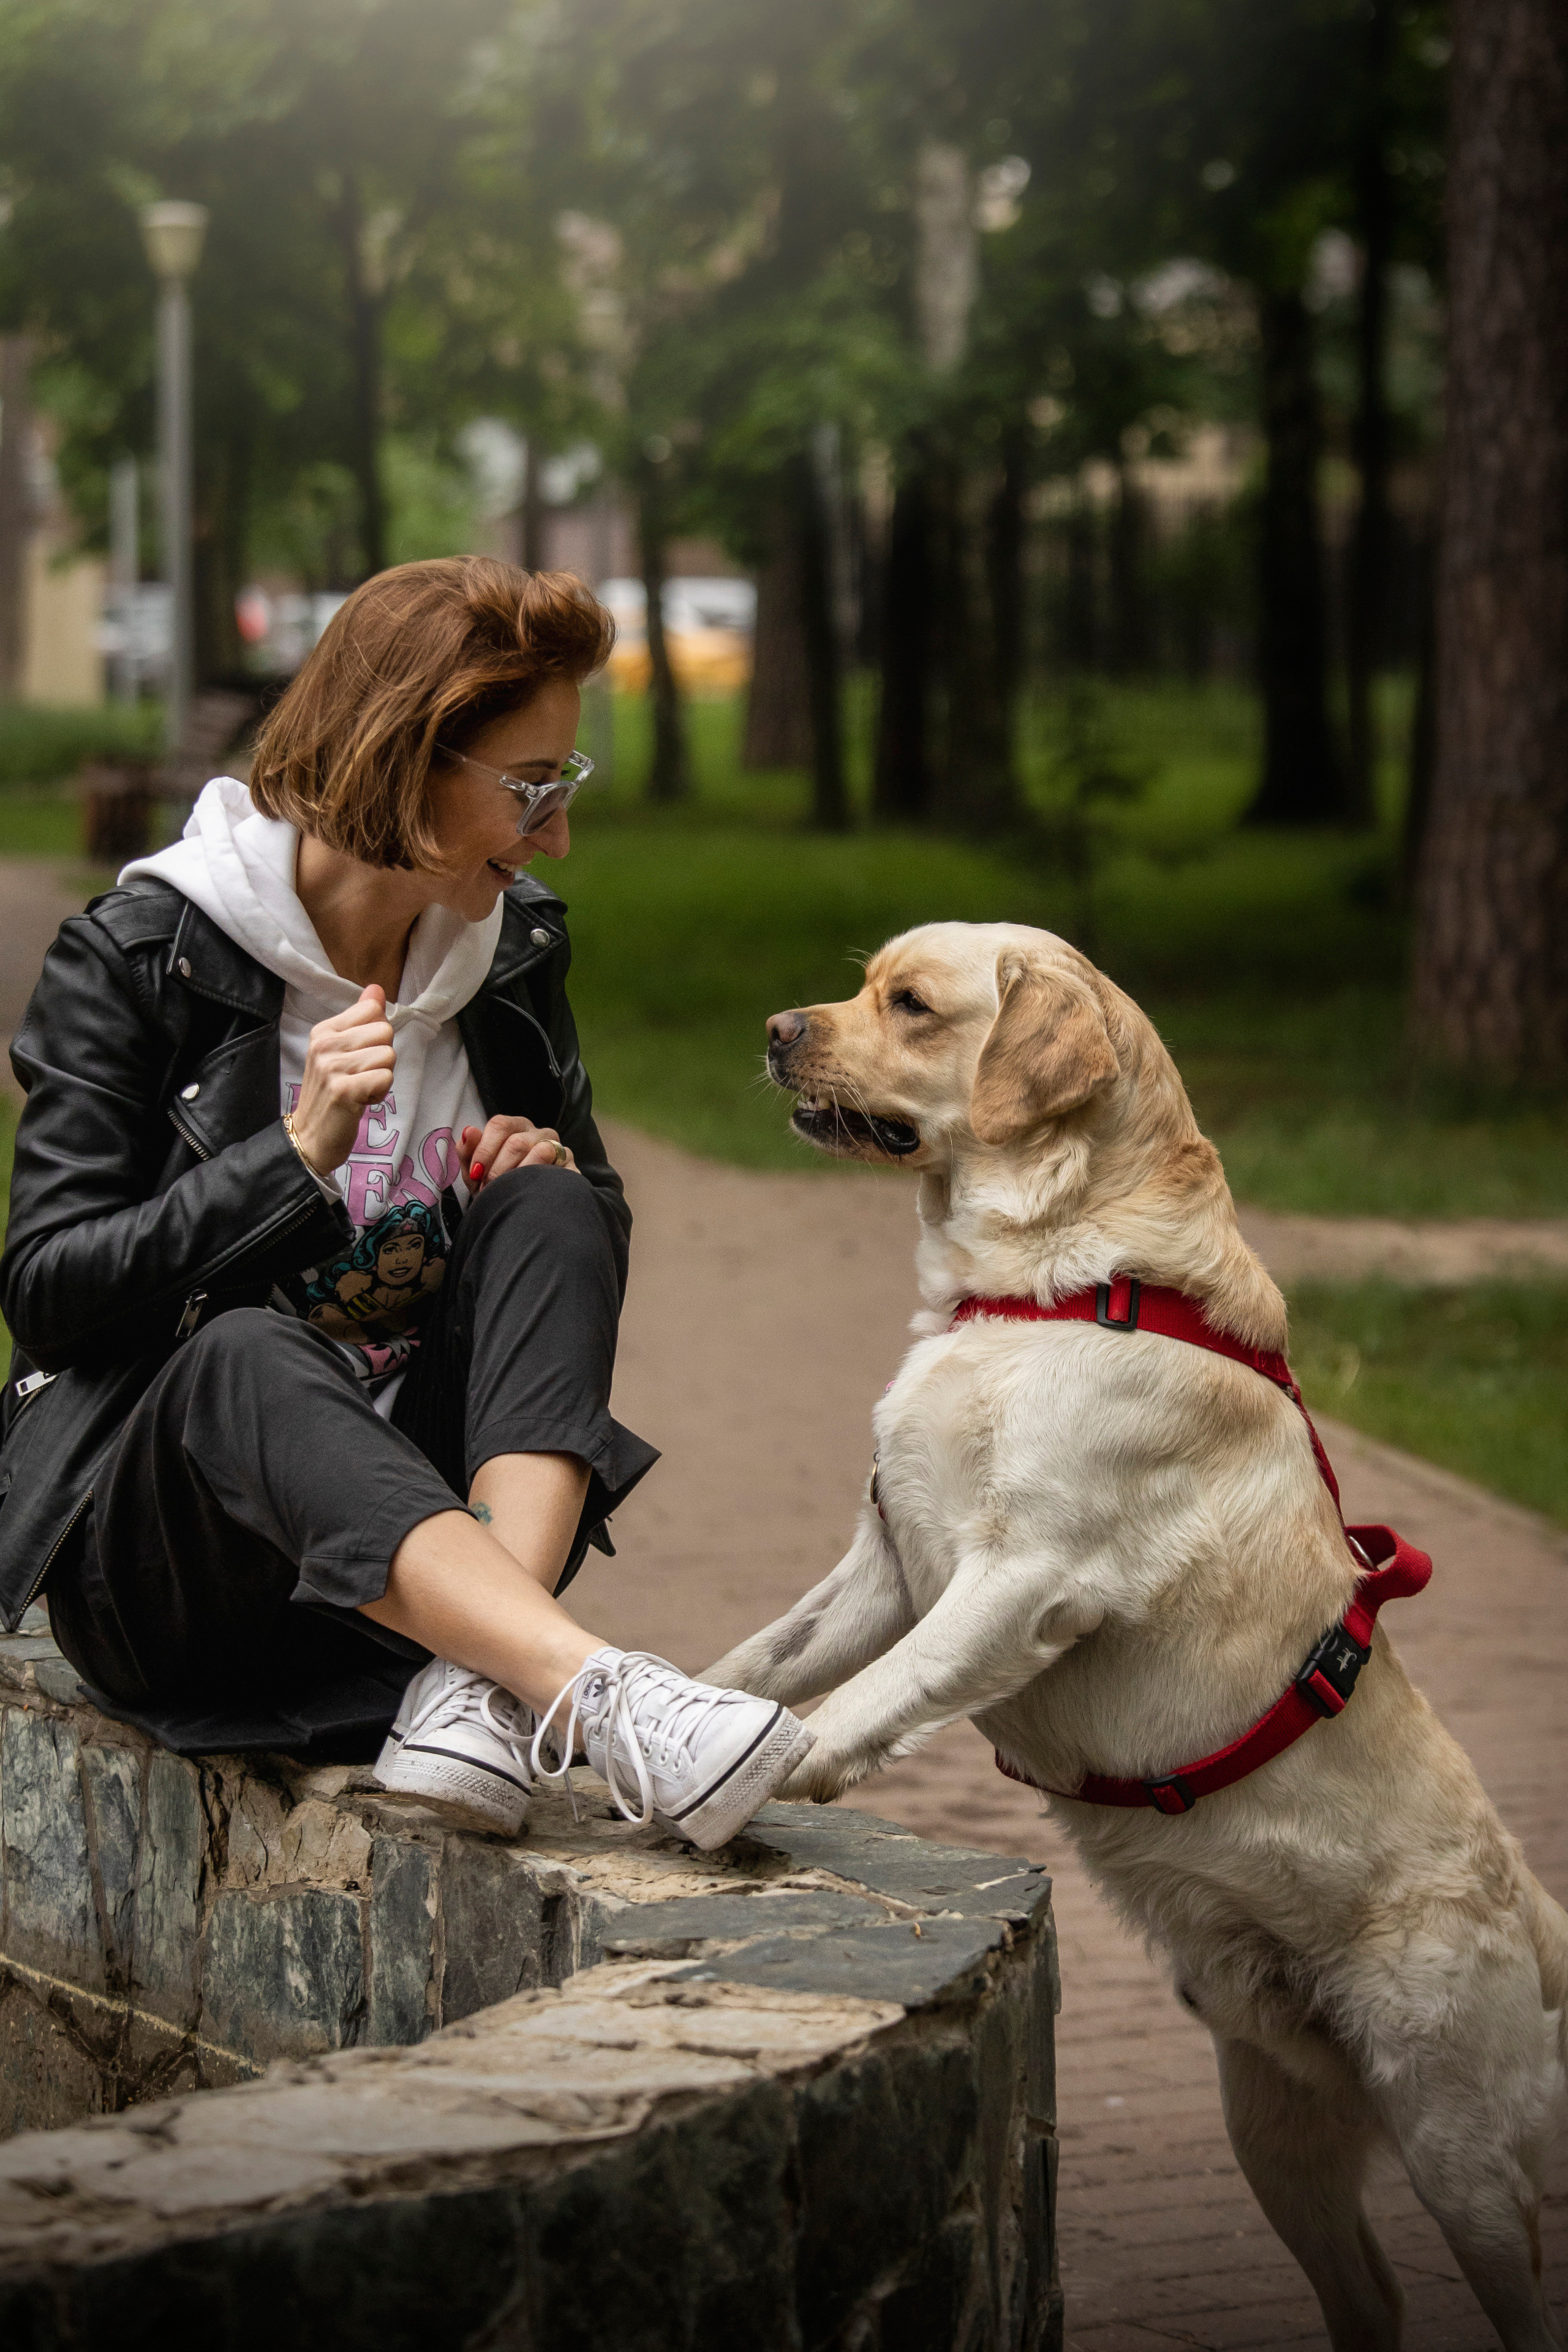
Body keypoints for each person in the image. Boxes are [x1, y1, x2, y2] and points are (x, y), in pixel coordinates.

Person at [0, 558, 811, 1849]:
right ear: (403, 757)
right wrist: (292, 1159)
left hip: (398, 1598)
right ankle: (579, 1688)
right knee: (245, 1352)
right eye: (530, 789)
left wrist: (541, 1172)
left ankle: (476, 1683)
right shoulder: (144, 954)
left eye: (566, 785)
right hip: (177, 1578)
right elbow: (48, 1297)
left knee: (556, 1208)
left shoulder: (511, 949)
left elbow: (579, 1231)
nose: (556, 836)